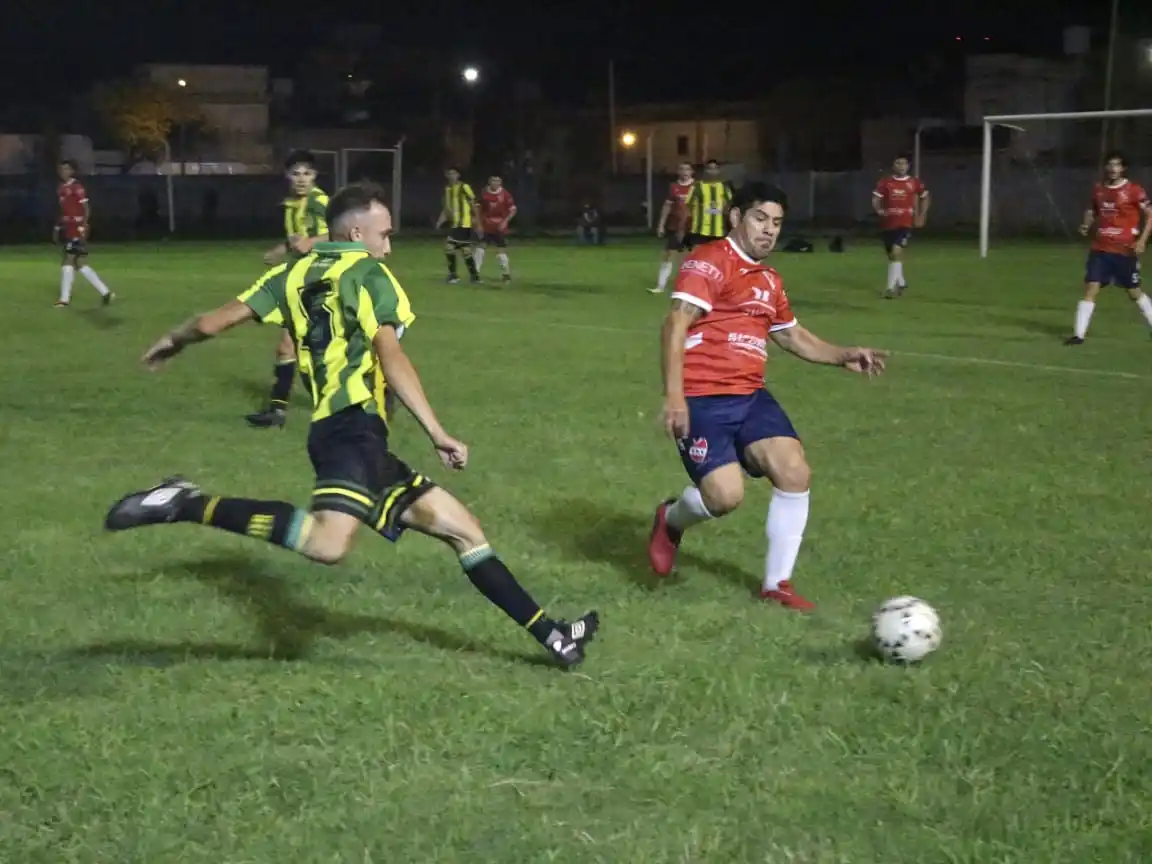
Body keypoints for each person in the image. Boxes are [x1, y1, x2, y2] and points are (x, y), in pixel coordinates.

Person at [104, 182, 599, 668]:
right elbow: (391, 356)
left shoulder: (291, 274)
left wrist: (174, 340)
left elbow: (213, 321)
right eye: (385, 234)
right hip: (351, 429)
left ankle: (552, 635)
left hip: (354, 438)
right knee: (327, 544)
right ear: (357, 233)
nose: (389, 245)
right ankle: (185, 503)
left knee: (465, 532)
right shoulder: (368, 273)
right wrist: (437, 432)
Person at [647, 182, 888, 610]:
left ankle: (777, 584)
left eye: (776, 222)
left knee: (794, 471)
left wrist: (843, 355)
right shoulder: (709, 261)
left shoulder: (769, 279)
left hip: (750, 396)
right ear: (736, 217)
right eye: (760, 218)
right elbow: (675, 324)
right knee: (724, 497)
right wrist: (674, 396)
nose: (769, 230)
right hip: (703, 396)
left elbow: (791, 335)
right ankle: (670, 519)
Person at [247, 150, 330, 429]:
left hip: (321, 280)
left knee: (309, 348)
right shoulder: (291, 204)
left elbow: (337, 232)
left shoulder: (319, 202)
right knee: (288, 346)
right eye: (296, 173)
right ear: (287, 176)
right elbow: (297, 237)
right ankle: (277, 411)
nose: (301, 178)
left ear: (315, 176)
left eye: (307, 173)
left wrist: (311, 243)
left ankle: (362, 397)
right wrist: (281, 249)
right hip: (300, 279)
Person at [1065, 151, 1152, 345]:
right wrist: (1086, 224)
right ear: (1106, 167)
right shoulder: (1099, 189)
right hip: (1100, 249)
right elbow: (1092, 210)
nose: (1113, 168)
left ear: (1123, 168)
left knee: (1134, 292)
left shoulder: (1134, 190)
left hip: (1125, 250)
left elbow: (1150, 214)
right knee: (1091, 288)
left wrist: (1142, 241)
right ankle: (1078, 335)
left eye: (1117, 165)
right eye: (1110, 165)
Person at [53, 159, 115, 308]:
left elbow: (86, 208)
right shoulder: (61, 188)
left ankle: (64, 299)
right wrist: (58, 225)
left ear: (72, 171)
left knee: (69, 261)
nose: (63, 172)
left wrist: (84, 226)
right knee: (78, 263)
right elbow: (65, 210)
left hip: (77, 229)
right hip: (69, 228)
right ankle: (105, 292)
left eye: (67, 169)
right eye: (61, 169)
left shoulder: (77, 187)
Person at [871, 155, 929, 298]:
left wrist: (921, 214)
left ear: (908, 166)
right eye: (898, 163)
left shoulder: (914, 182)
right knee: (892, 255)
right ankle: (901, 282)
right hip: (888, 223)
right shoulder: (885, 182)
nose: (901, 166)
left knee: (897, 252)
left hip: (905, 223)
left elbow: (925, 197)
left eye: (904, 163)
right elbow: (876, 198)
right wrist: (879, 210)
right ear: (893, 166)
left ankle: (889, 289)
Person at [650, 161, 695, 294]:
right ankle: (660, 286)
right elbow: (667, 206)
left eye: (687, 169)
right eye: (682, 169)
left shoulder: (697, 186)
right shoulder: (674, 187)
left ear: (692, 172)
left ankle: (689, 286)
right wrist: (661, 225)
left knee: (690, 257)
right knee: (669, 254)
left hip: (692, 226)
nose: (684, 172)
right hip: (675, 226)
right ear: (678, 171)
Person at [435, 167, 481, 284]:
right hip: (454, 225)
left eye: (454, 173)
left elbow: (473, 204)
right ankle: (473, 277)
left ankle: (455, 276)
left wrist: (477, 220)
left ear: (458, 175)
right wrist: (440, 221)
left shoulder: (464, 187)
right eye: (449, 173)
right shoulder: (447, 189)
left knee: (451, 248)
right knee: (464, 250)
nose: (451, 176)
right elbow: (447, 208)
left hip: (464, 224)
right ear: (446, 175)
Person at [677, 159, 732, 252]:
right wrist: (683, 225)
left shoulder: (723, 187)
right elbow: (688, 207)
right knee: (697, 255)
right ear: (705, 170)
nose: (712, 171)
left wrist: (729, 223)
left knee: (717, 257)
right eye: (709, 168)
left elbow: (729, 206)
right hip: (699, 230)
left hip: (718, 231)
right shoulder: (697, 187)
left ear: (718, 171)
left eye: (715, 169)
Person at [475, 174, 517, 283]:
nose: (495, 183)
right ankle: (475, 273)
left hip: (499, 227)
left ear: (500, 182)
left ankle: (505, 274)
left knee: (501, 251)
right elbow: (477, 208)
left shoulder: (505, 194)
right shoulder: (483, 193)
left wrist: (505, 221)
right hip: (486, 225)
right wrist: (478, 224)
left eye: (497, 181)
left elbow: (513, 210)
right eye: (493, 181)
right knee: (480, 248)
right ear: (489, 182)